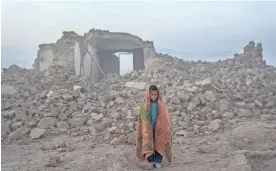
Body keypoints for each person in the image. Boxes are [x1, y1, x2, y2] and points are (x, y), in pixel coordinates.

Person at [136, 85, 172, 169]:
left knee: (159, 143)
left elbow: (165, 118)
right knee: (149, 143)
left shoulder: (161, 105)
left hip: (159, 129)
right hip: (149, 129)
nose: (154, 96)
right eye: (152, 94)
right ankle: (151, 160)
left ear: (158, 94)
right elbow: (142, 119)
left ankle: (158, 161)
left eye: (155, 94)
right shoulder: (145, 105)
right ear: (149, 94)